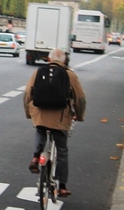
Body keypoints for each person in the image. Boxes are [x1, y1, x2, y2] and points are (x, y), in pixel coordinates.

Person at [23, 48, 86, 198]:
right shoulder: (70, 75)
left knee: (40, 130)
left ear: (49, 59)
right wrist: (79, 115)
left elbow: (27, 94)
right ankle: (62, 186)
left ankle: (35, 157)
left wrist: (29, 113)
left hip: (40, 115)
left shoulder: (38, 72)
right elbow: (80, 99)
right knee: (62, 150)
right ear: (64, 61)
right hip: (60, 118)